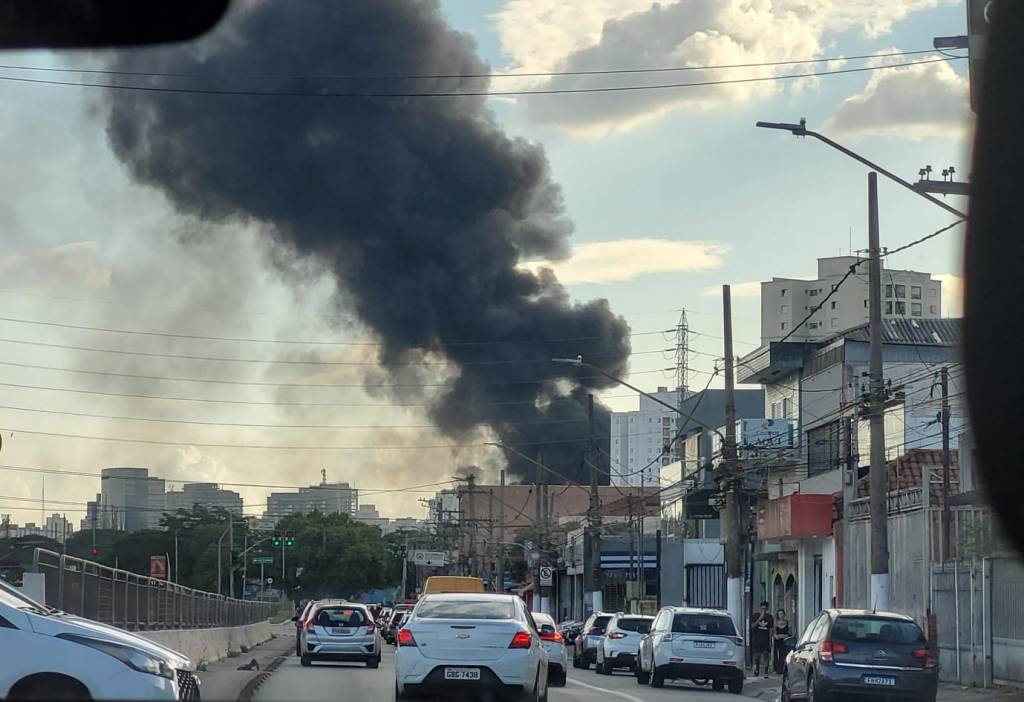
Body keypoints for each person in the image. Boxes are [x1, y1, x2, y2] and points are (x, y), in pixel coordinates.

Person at [750, 601, 774, 677]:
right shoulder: (755, 616)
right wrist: (760, 618)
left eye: (765, 609)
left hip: (765, 639)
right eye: (762, 609)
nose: (763, 610)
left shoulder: (770, 617)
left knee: (766, 655)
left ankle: (766, 671)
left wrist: (770, 640)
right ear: (760, 608)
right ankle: (757, 668)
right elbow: (752, 626)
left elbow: (771, 629)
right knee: (757, 655)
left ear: (767, 609)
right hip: (757, 639)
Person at [773, 608, 791, 674]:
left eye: (782, 614)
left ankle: (782, 669)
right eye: (779, 614)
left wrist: (785, 636)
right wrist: (776, 636)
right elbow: (774, 632)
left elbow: (789, 633)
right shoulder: (776, 622)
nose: (781, 615)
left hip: (785, 641)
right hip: (777, 640)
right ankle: (777, 669)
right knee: (776, 655)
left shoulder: (787, 622)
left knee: (783, 654)